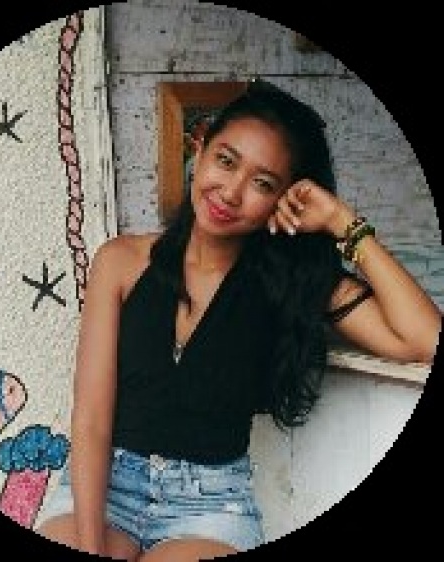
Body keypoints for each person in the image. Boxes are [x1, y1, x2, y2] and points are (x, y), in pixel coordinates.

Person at [36, 79, 441, 560]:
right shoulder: (120, 261)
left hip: (210, 505)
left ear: (284, 200)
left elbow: (426, 340)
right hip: (105, 487)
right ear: (201, 148)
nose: (230, 192)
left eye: (262, 183)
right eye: (226, 161)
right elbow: (91, 420)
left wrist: (341, 222)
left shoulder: (296, 284)